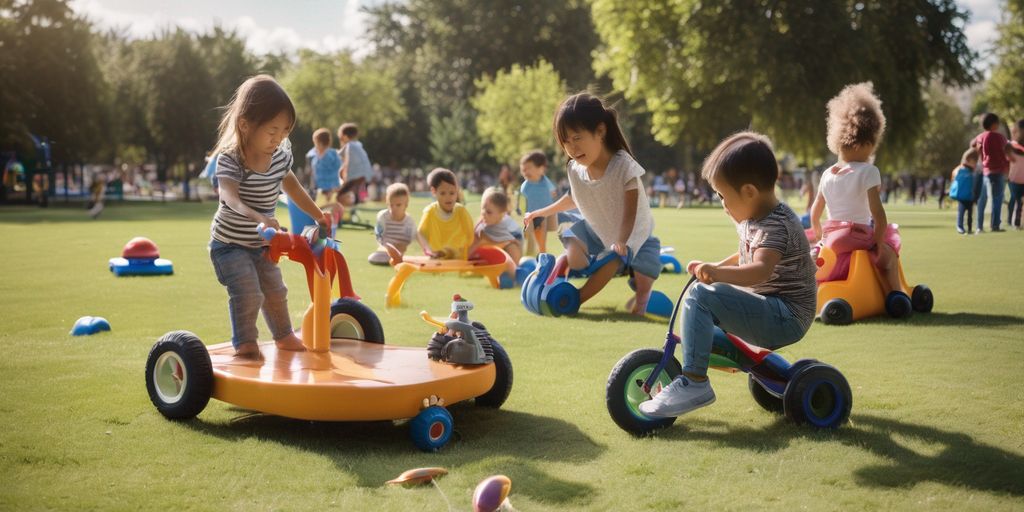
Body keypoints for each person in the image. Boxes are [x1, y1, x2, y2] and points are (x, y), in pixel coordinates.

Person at [640, 132, 816, 417]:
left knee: (701, 297)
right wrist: (715, 266)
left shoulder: (776, 226)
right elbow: (747, 256)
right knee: (703, 307)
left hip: (787, 316)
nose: (722, 203)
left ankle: (695, 382)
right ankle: (700, 365)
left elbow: (759, 269)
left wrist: (718, 274)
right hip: (771, 307)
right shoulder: (754, 218)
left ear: (748, 192)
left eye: (723, 195)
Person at [208, 75, 330, 359]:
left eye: (284, 132)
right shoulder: (231, 158)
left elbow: (294, 188)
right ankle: (245, 343)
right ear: (245, 125)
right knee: (249, 291)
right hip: (228, 245)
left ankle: (284, 335)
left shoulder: (278, 157)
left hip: (264, 244)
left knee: (276, 289)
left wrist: (318, 214)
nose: (278, 139)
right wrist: (259, 217)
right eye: (272, 131)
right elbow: (229, 197)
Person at [523, 92, 661, 315]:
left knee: (628, 267)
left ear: (600, 131)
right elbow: (574, 198)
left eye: (577, 138)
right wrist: (541, 211)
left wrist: (621, 240)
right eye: (566, 142)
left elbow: (630, 210)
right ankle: (559, 271)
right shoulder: (575, 169)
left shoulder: (624, 166)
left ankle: (581, 299)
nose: (572, 149)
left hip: (633, 234)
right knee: (575, 257)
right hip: (596, 228)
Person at [809, 83, 907, 306]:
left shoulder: (827, 174)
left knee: (820, 256)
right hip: (857, 234)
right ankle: (896, 295)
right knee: (890, 256)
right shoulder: (869, 172)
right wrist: (880, 243)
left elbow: (815, 212)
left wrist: (819, 235)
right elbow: (878, 215)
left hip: (831, 237)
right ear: (867, 143)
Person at [388, 167, 474, 262]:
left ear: (457, 191)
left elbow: (471, 235)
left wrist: (468, 252)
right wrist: (429, 250)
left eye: (452, 193)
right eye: (443, 193)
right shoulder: (430, 211)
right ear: (434, 191)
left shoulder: (461, 211)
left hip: (459, 256)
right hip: (437, 256)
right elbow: (420, 233)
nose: (448, 197)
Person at [972, 113, 1016, 233]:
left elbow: (973, 145)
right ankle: (995, 225)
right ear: (994, 124)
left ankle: (979, 227)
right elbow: (1007, 150)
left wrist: (981, 154)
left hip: (986, 171)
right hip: (999, 171)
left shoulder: (981, 137)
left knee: (983, 198)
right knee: (998, 198)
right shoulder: (1000, 137)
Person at [469, 187, 523, 276]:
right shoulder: (482, 224)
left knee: (512, 247)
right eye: (483, 209)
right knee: (476, 241)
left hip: (506, 250)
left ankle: (513, 273)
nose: (483, 213)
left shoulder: (508, 227)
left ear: (502, 215)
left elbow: (515, 244)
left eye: (489, 212)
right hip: (491, 251)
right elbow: (473, 244)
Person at [518, 151, 557, 254]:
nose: (525, 172)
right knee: (533, 235)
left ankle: (542, 252)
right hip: (532, 215)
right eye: (523, 170)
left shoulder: (545, 181)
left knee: (541, 237)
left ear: (541, 169)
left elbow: (552, 191)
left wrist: (552, 195)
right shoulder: (525, 186)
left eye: (528, 168)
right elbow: (522, 201)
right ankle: (539, 252)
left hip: (544, 212)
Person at [368, 183, 416, 265]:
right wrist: (388, 247)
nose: (394, 208)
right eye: (391, 205)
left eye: (398, 205)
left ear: (406, 205)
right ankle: (393, 260)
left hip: (400, 250)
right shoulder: (383, 216)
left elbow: (410, 238)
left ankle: (397, 259)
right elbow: (379, 235)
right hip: (385, 250)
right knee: (373, 257)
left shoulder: (409, 221)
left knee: (400, 256)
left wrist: (402, 245)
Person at [309, 127, 343, 222]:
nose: (315, 145)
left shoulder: (330, 155)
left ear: (319, 142)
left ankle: (335, 208)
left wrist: (332, 190)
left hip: (328, 190)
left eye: (315, 142)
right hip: (321, 190)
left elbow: (334, 172)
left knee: (324, 214)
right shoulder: (317, 157)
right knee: (321, 215)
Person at [337, 123, 374, 209]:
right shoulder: (358, 145)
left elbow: (339, 157)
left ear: (345, 137)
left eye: (340, 138)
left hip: (356, 176)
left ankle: (347, 210)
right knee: (354, 196)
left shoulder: (349, 146)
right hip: (366, 175)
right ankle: (356, 202)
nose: (340, 140)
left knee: (340, 195)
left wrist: (344, 175)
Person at [949, 148, 979, 234]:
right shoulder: (960, 170)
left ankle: (969, 228)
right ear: (968, 160)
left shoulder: (973, 172)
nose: (975, 164)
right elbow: (954, 177)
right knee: (961, 212)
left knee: (970, 214)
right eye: (974, 162)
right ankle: (960, 227)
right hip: (962, 196)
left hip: (970, 196)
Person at [1005, 120, 1024, 229]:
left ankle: (1017, 222)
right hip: (1014, 180)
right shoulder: (1011, 147)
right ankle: (1012, 221)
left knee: (1019, 202)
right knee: (1015, 200)